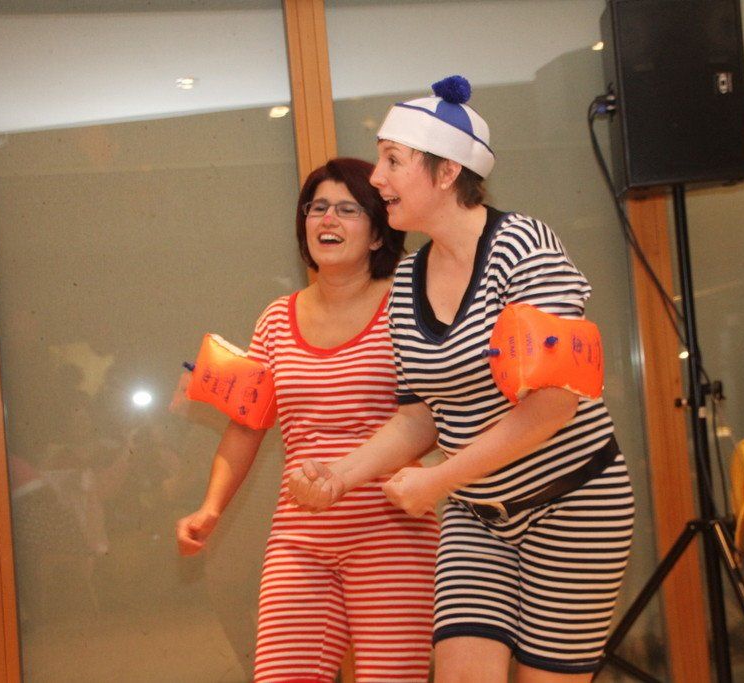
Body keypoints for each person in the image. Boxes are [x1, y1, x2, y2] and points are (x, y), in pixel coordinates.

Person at [290, 76, 636, 683]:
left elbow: (555, 404)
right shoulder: (406, 280)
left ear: (447, 172)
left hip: (574, 505)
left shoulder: (524, 246)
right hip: (477, 517)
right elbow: (419, 416)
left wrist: (438, 480)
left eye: (393, 160)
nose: (377, 178)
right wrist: (340, 476)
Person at [176, 157, 439, 683]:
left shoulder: (408, 306)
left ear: (377, 234)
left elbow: (435, 416)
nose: (327, 220)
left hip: (393, 534)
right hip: (299, 537)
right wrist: (210, 508)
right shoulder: (276, 318)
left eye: (347, 209)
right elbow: (248, 424)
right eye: (317, 208)